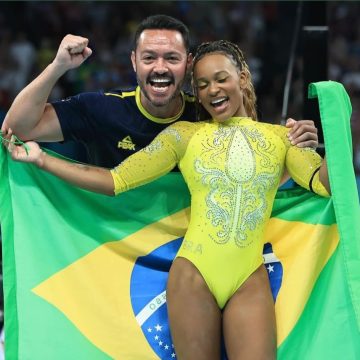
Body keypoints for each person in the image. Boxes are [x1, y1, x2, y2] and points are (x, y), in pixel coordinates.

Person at [5, 39, 330, 360]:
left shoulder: (284, 138)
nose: (213, 90)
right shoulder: (183, 135)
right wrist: (43, 161)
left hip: (250, 278)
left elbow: (325, 185)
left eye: (221, 79)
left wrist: (335, 128)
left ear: (241, 78)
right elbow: (115, 180)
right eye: (202, 84)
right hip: (192, 277)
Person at [1, 14, 318, 170]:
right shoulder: (100, 109)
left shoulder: (207, 114)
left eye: (172, 58)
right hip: (110, 252)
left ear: (189, 64)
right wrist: (57, 66)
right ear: (134, 62)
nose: (161, 67)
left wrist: (294, 140)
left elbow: (256, 160)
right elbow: (17, 130)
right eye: (150, 58)